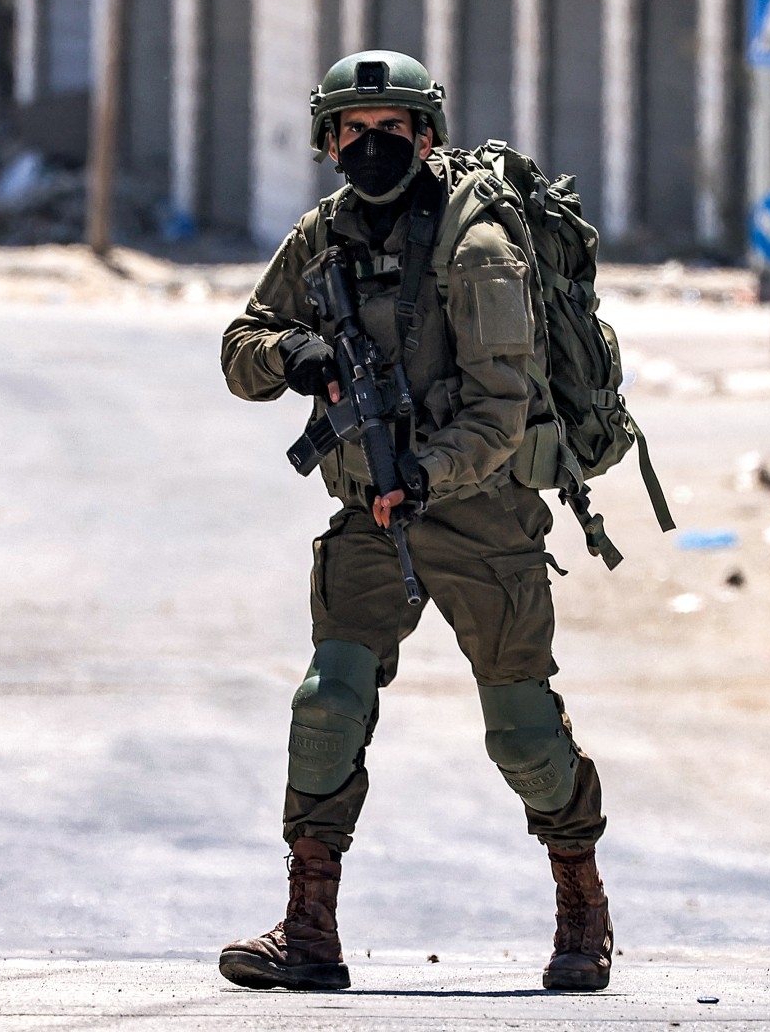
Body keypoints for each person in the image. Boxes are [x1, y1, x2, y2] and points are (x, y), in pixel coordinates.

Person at [217, 51, 613, 992]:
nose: (371, 145)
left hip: (482, 520)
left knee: (521, 731)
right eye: (353, 132)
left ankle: (582, 902)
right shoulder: (322, 238)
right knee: (326, 705)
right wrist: (295, 354)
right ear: (328, 142)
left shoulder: (476, 250)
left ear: (426, 136)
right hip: (365, 516)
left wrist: (425, 478)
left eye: (390, 129)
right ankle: (308, 930)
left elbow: (501, 408)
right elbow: (238, 350)